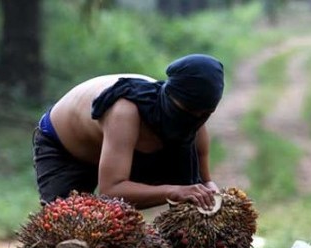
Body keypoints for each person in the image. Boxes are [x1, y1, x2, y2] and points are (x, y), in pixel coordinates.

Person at [32, 54, 224, 210]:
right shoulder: (125, 111)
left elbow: (203, 182)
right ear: (170, 96)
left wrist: (211, 194)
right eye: (188, 111)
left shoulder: (194, 124)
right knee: (67, 226)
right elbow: (111, 191)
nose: (195, 119)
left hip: (118, 153)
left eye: (204, 114)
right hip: (66, 147)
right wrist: (174, 191)